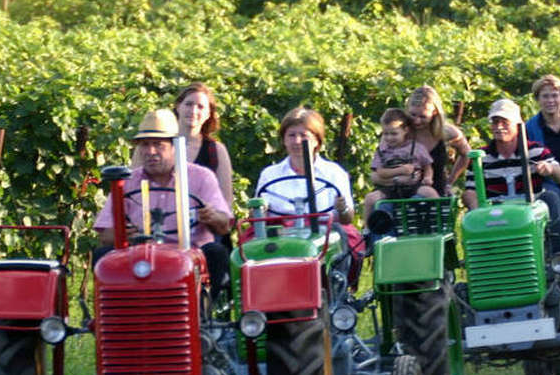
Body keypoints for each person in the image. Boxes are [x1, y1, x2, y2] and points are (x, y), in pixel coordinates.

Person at [94, 109, 234, 295]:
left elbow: (224, 227)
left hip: (190, 252)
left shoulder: (201, 177)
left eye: (158, 145)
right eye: (145, 145)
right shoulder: (126, 182)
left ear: (174, 147)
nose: (150, 152)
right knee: (102, 256)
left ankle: (202, 314)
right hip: (139, 255)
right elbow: (105, 235)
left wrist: (212, 216)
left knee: (216, 253)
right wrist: (122, 234)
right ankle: (116, 315)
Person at [252, 107, 365, 282]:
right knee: (250, 246)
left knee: (344, 238)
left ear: (316, 141)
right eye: (291, 135)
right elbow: (261, 211)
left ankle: (336, 288)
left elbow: (347, 217)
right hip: (282, 232)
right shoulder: (270, 174)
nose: (297, 141)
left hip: (323, 230)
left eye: (304, 136)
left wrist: (342, 209)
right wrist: (261, 209)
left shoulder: (333, 173)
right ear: (283, 139)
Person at [462, 98, 560, 242]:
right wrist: (477, 211)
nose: (499, 127)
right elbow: (470, 191)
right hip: (494, 211)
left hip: (530, 208)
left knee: (552, 197)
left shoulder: (536, 151)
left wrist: (550, 169)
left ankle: (557, 254)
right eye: (495, 122)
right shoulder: (481, 158)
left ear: (518, 126)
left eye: (505, 122)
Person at [173, 82, 234, 240]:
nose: (193, 111)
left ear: (208, 114)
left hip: (205, 232)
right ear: (178, 106)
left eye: (200, 107)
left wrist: (211, 214)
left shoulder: (216, 151)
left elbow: (226, 205)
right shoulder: (155, 147)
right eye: (189, 104)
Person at [361, 107, 439, 223]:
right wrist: (401, 171)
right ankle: (367, 229)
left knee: (430, 193)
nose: (389, 138)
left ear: (405, 130)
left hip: (413, 186)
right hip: (388, 189)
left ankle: (438, 221)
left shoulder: (416, 148)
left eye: (394, 134)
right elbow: (380, 172)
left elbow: (427, 166)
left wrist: (428, 178)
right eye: (386, 134)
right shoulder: (382, 151)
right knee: (370, 199)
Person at [405, 86, 471, 195]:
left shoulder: (447, 132)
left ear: (435, 112)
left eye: (423, 117)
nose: (416, 121)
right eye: (413, 115)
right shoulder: (400, 131)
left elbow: (467, 154)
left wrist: (450, 181)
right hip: (403, 191)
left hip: (435, 190)